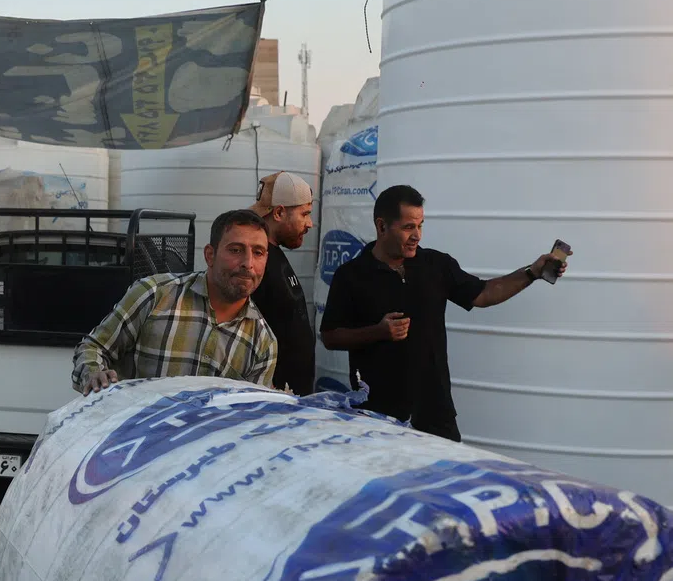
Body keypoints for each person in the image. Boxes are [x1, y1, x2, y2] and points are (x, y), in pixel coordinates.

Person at [320, 183, 566, 441]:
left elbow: (484, 293)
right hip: (377, 416)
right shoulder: (351, 275)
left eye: (420, 225)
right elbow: (330, 336)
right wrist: (378, 332)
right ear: (382, 227)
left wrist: (532, 273)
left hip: (435, 413)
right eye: (408, 227)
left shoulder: (436, 265)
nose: (417, 235)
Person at [71, 209, 278, 394]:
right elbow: (94, 347)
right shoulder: (154, 294)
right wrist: (93, 373)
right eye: (236, 250)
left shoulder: (263, 343)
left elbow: (248, 414)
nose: (248, 263)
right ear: (210, 255)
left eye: (258, 253)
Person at [248, 170, 316, 394]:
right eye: (305, 214)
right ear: (278, 213)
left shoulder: (274, 254)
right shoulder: (256, 264)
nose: (310, 224)